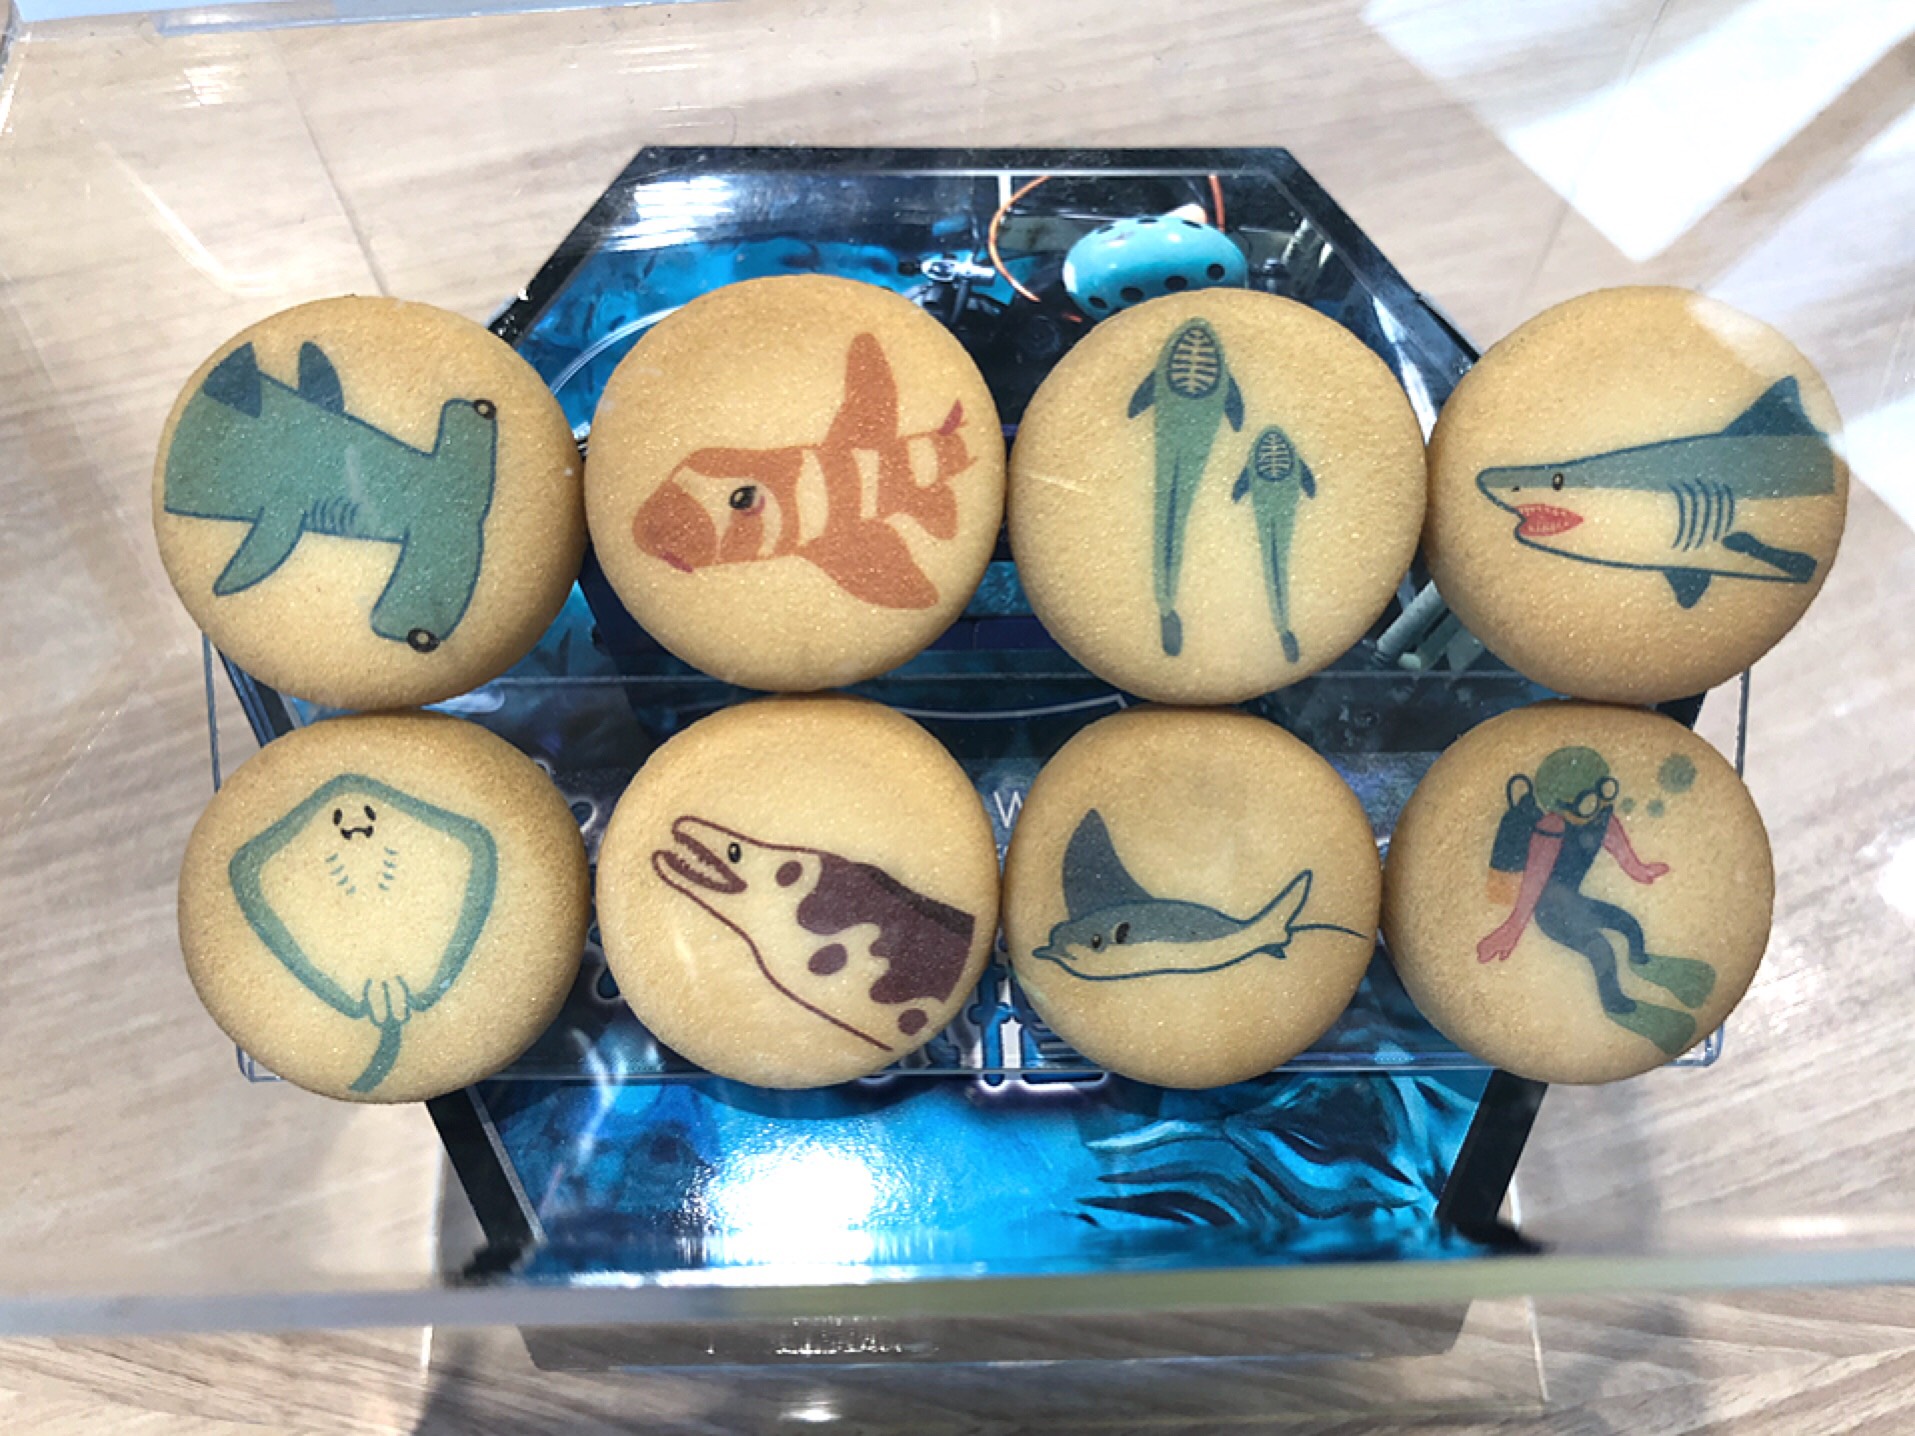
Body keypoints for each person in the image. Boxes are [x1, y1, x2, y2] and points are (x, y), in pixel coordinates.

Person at [1477, 746, 1715, 1056]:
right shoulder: (1552, 827)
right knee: (1600, 950)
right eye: (1590, 799)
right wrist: (1513, 927)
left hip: (1577, 903)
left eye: (1605, 791)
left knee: (1628, 925)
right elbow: (1534, 881)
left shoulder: (1601, 814)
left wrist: (1639, 870)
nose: (1600, 806)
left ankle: (1642, 963)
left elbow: (1617, 845)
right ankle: (1618, 1006)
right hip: (1552, 915)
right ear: (1562, 801)